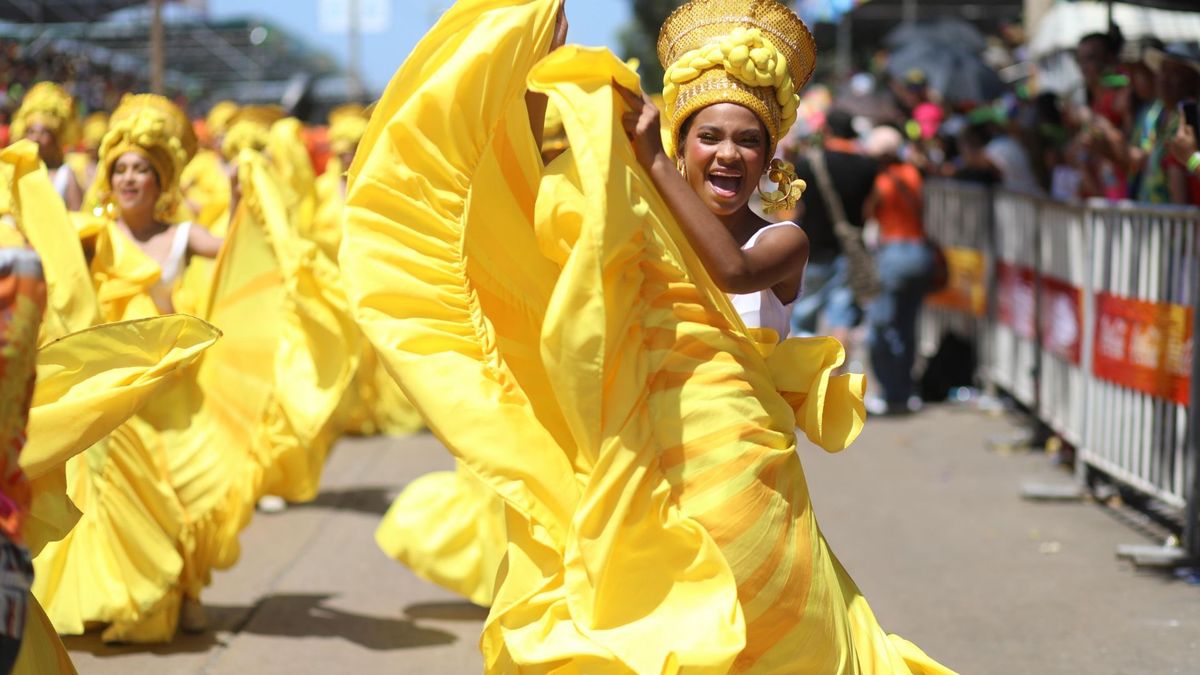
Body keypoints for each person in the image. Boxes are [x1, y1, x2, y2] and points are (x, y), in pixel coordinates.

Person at [341, 0, 954, 671]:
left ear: (770, 156)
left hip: (750, 475)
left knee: (766, 627)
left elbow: (733, 267)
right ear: (682, 140)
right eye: (708, 136)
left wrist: (651, 160)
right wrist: (531, 61)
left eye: (748, 140)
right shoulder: (642, 219)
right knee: (659, 627)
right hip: (648, 460)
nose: (727, 154)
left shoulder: (783, 239)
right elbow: (529, 166)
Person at [861, 126, 934, 414]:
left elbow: (870, 212)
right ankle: (904, 390)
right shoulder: (913, 175)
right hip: (920, 252)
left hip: (893, 253)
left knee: (881, 326)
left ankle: (890, 392)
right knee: (907, 325)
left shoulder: (881, 181)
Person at [789, 108, 876, 339]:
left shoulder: (809, 163)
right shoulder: (867, 166)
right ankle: (837, 373)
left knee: (805, 315)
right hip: (849, 249)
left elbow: (796, 207)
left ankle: (808, 372)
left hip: (814, 248)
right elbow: (871, 207)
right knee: (842, 317)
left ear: (827, 130)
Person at [9, 82, 84, 211]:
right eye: (30, 132)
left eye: (44, 133)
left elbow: (78, 221)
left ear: (56, 138)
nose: (35, 139)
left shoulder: (65, 175)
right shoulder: (13, 171)